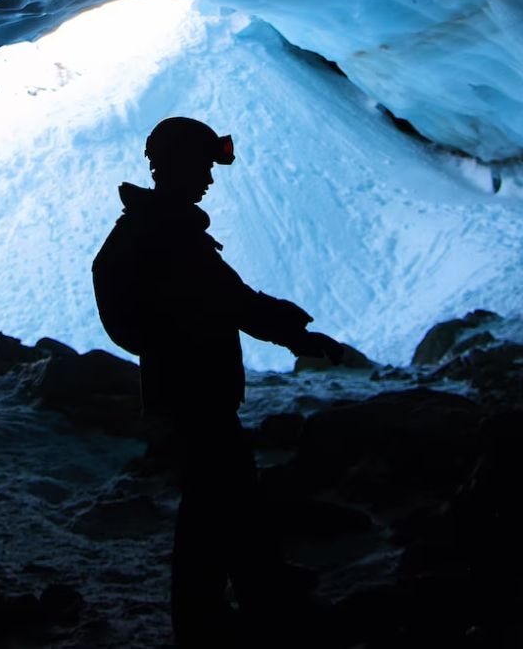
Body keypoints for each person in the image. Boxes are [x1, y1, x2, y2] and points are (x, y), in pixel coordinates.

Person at [92, 116, 346, 648]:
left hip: (186, 388)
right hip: (196, 391)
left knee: (226, 498)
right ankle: (214, 618)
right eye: (204, 166)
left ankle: (254, 595)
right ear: (179, 167)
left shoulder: (157, 225)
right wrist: (292, 331)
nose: (209, 178)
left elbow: (221, 298)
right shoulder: (170, 234)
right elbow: (229, 300)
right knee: (216, 504)